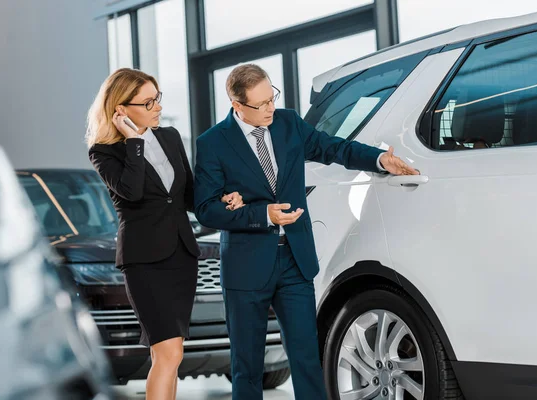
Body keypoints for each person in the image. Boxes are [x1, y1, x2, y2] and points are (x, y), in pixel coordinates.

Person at [193, 64, 418, 400]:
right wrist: (262, 215)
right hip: (246, 267)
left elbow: (335, 148)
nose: (271, 107)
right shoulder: (213, 143)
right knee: (248, 366)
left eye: (272, 97)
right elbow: (206, 208)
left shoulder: (288, 123)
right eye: (262, 104)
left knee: (307, 358)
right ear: (237, 105)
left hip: (294, 261)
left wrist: (380, 161)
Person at [86, 68, 243, 400]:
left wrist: (220, 198)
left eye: (158, 98)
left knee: (170, 354)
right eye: (148, 102)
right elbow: (130, 191)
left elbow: (186, 195)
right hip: (144, 261)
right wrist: (134, 141)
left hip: (182, 256)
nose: (157, 107)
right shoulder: (104, 151)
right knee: (169, 354)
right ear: (121, 109)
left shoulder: (170, 137)